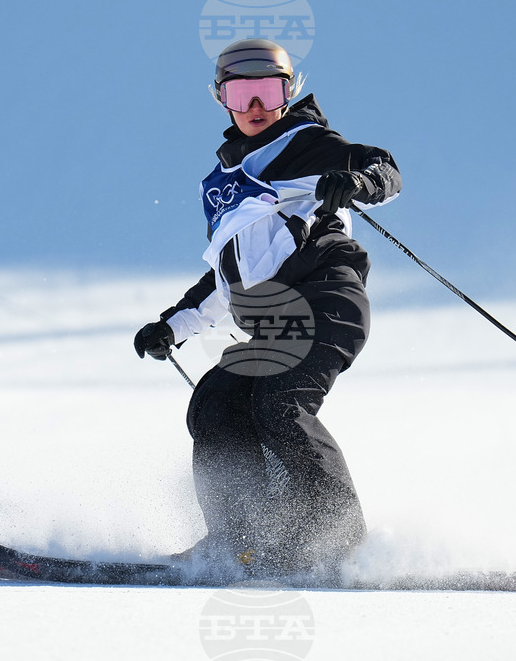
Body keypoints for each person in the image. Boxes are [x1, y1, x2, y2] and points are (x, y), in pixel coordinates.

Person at [134, 39, 401, 581]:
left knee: (278, 406)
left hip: (326, 303)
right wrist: (174, 325)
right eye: (241, 92)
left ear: (289, 91)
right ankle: (244, 542)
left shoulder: (309, 143)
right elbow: (228, 274)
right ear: (222, 99)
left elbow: (384, 169)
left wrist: (358, 183)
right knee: (215, 404)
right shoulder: (225, 184)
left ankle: (342, 544)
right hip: (273, 322)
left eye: (269, 91)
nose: (256, 105)